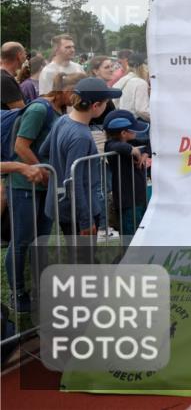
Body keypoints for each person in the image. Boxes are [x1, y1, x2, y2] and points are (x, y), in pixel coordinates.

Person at [3, 72, 83, 312]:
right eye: (76, 93)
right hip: (24, 184)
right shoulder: (39, 110)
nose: (79, 99)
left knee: (41, 240)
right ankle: (17, 293)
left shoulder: (61, 112)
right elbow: (20, 145)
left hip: (44, 186)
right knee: (22, 241)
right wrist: (42, 170)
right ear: (65, 90)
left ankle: (39, 288)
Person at [41, 77, 122, 236]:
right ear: (96, 106)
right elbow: (73, 182)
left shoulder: (63, 120)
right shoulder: (81, 136)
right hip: (80, 211)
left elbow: (44, 150)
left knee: (77, 255)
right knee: (84, 258)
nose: (106, 106)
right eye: (106, 102)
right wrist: (86, 220)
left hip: (63, 206)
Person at [102, 110, 149, 236]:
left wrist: (145, 153)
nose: (136, 132)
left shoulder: (131, 141)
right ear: (123, 133)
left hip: (139, 197)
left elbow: (150, 141)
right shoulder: (110, 145)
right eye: (133, 130)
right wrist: (133, 151)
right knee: (131, 235)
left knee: (142, 233)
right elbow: (118, 147)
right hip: (127, 201)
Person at [113, 52, 150, 122]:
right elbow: (142, 110)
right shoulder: (141, 83)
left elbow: (114, 101)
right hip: (135, 123)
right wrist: (157, 118)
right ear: (143, 67)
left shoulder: (122, 80)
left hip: (122, 121)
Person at [1, 42, 27, 110]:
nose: (26, 57)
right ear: (19, 56)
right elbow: (22, 113)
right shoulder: (5, 80)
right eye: (25, 53)